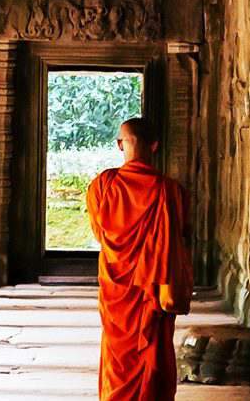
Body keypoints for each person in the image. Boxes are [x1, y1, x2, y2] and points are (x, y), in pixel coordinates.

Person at [85, 117, 193, 401]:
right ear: (155, 146)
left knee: (117, 354)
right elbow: (182, 236)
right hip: (152, 293)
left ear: (120, 145)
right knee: (153, 353)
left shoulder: (102, 187)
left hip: (116, 290)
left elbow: (101, 233)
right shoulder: (171, 191)